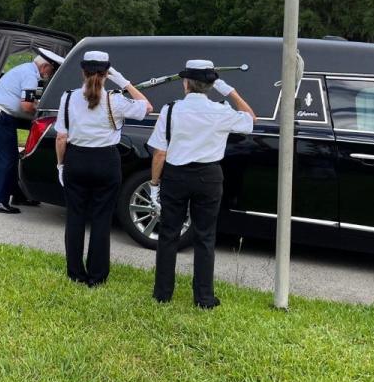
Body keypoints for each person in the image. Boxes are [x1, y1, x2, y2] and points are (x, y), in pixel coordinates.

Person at [148, 59, 256, 309]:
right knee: (205, 236)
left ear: (185, 83)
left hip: (176, 175)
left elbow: (159, 153)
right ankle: (204, 297)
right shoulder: (221, 110)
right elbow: (251, 119)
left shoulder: (171, 110)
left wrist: (154, 183)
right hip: (208, 176)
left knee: (169, 234)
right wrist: (228, 90)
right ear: (210, 85)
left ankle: (163, 293)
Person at [54, 51, 151, 287]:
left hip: (76, 159)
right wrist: (123, 81)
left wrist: (60, 165)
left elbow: (61, 137)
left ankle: (75, 272)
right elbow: (146, 106)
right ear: (107, 73)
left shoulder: (67, 98)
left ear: (82, 71)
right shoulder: (115, 100)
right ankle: (97, 276)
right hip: (106, 161)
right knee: (101, 219)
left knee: (75, 217)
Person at [0, 48, 64, 214]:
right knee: (6, 160)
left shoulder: (26, 69)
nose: (51, 74)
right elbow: (26, 106)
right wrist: (39, 109)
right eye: (52, 70)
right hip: (0, 116)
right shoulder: (30, 76)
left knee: (12, 158)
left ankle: (18, 195)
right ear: (45, 67)